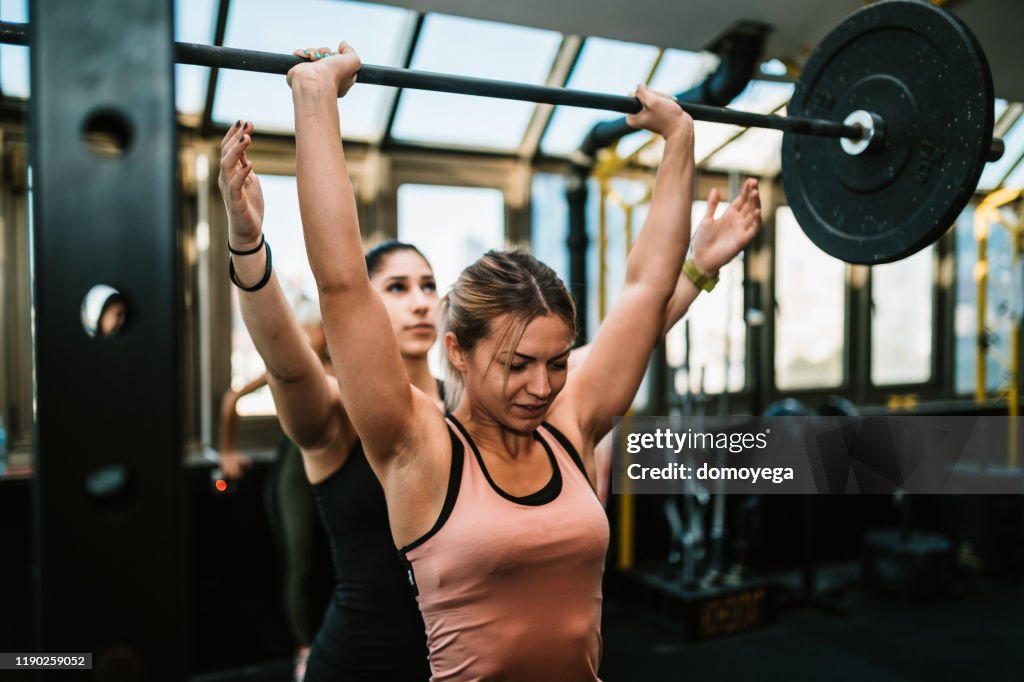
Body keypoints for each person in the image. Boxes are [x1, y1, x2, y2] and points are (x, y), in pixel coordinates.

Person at [285, 42, 722, 679]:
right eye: (516, 365)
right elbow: (344, 284)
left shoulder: (572, 426)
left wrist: (679, 139)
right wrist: (316, 99)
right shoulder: (419, 448)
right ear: (456, 350)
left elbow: (647, 289)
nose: (540, 387)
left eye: (557, 362)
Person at [219, 120, 440, 680]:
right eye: (398, 287)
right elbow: (288, 367)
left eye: (429, 285)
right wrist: (247, 242)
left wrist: (697, 270)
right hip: (358, 665)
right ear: (365, 304)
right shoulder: (342, 413)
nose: (420, 302)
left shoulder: (466, 406)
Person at [218, 299, 327, 680]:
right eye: (309, 329)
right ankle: (303, 648)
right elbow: (231, 400)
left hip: (330, 474)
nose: (313, 336)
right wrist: (228, 451)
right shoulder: (288, 368)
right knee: (298, 561)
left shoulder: (337, 366)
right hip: (293, 473)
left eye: (314, 328)